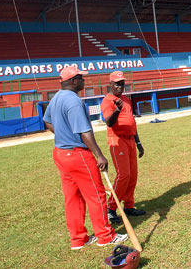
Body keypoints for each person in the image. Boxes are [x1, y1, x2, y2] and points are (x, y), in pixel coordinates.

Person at [43, 66, 128, 250]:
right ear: (73, 80)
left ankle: (78, 239)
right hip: (77, 154)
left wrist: (62, 135)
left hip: (60, 153)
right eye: (81, 78)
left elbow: (46, 120)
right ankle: (105, 235)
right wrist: (99, 155)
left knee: (72, 198)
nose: (84, 81)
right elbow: (84, 131)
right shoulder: (73, 100)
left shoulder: (56, 97)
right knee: (96, 195)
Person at [101, 71, 146, 224]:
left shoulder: (126, 99)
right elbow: (109, 122)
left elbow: (132, 122)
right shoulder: (108, 101)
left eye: (122, 83)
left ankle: (129, 206)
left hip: (130, 140)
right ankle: (111, 208)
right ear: (111, 85)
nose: (120, 86)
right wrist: (117, 110)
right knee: (124, 174)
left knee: (133, 174)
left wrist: (138, 143)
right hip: (117, 140)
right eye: (117, 83)